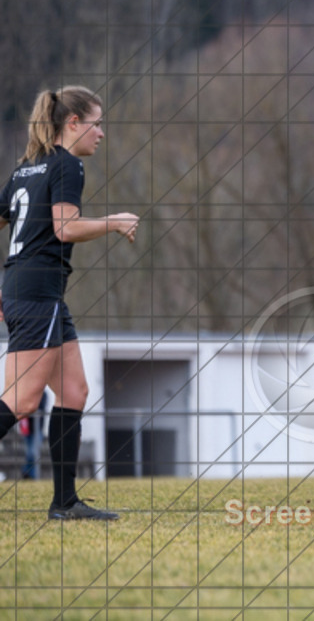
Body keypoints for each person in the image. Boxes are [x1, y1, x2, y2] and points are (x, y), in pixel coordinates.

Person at [0, 86, 139, 520]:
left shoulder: (26, 168)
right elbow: (65, 227)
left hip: (34, 293)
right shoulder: (66, 164)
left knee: (74, 391)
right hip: (37, 293)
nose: (102, 133)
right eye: (96, 123)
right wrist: (113, 222)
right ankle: (64, 503)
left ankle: (64, 503)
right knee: (22, 401)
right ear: (73, 123)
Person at [21, 388, 51, 480]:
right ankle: (29, 474)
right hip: (28, 429)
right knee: (29, 453)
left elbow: (37, 408)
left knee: (33, 453)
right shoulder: (26, 393)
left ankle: (29, 474)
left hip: (37, 429)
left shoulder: (43, 394)